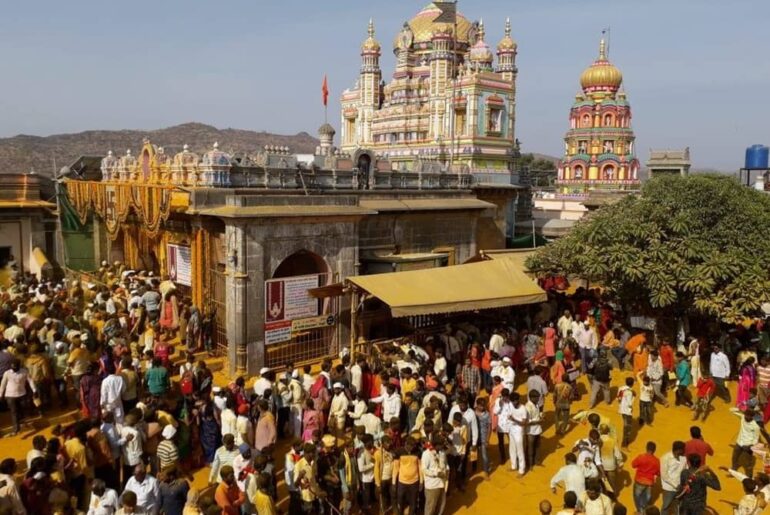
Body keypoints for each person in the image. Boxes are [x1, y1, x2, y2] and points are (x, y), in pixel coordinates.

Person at [0, 358, 36, 435]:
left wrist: (34, 390)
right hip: (10, 395)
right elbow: (3, 384)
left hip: (21, 394)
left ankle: (22, 421)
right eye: (13, 367)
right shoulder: (7, 373)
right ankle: (16, 429)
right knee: (14, 412)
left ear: (19, 366)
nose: (14, 368)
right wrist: (1, 395)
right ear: (11, 366)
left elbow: (30, 381)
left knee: (22, 409)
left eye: (16, 367)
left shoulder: (24, 372)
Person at [421, 436, 448, 515]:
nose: (443, 446)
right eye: (441, 445)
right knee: (430, 508)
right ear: (436, 445)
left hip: (442, 484)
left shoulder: (442, 453)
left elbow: (445, 464)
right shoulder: (426, 454)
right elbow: (424, 470)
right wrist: (436, 473)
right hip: (432, 486)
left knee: (441, 506)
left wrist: (446, 469)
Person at [631, 441, 660, 513]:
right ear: (654, 450)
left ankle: (639, 511)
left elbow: (633, 465)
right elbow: (658, 473)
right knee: (646, 499)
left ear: (646, 448)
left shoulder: (641, 457)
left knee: (637, 497)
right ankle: (643, 511)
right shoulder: (656, 461)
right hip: (649, 483)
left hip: (639, 481)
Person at [732, 409, 762, 477]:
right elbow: (732, 411)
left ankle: (749, 476)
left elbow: (756, 438)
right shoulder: (742, 417)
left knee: (748, 464)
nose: (746, 417)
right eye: (746, 415)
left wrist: (750, 446)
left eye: (748, 415)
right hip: (739, 442)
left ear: (752, 416)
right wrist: (738, 409)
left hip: (748, 446)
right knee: (734, 458)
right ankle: (733, 470)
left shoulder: (755, 426)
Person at [660, 441, 687, 515]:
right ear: (679, 450)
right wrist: (675, 485)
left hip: (680, 488)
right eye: (683, 449)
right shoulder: (665, 458)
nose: (685, 451)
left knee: (678, 507)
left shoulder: (684, 459)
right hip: (669, 488)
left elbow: (685, 471)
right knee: (666, 507)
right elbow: (664, 475)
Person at [618, 376, 635, 449]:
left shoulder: (621, 388)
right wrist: (634, 396)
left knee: (625, 425)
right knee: (627, 428)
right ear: (632, 384)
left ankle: (625, 442)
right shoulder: (629, 392)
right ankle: (624, 444)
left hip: (621, 409)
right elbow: (630, 404)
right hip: (627, 411)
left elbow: (618, 398)